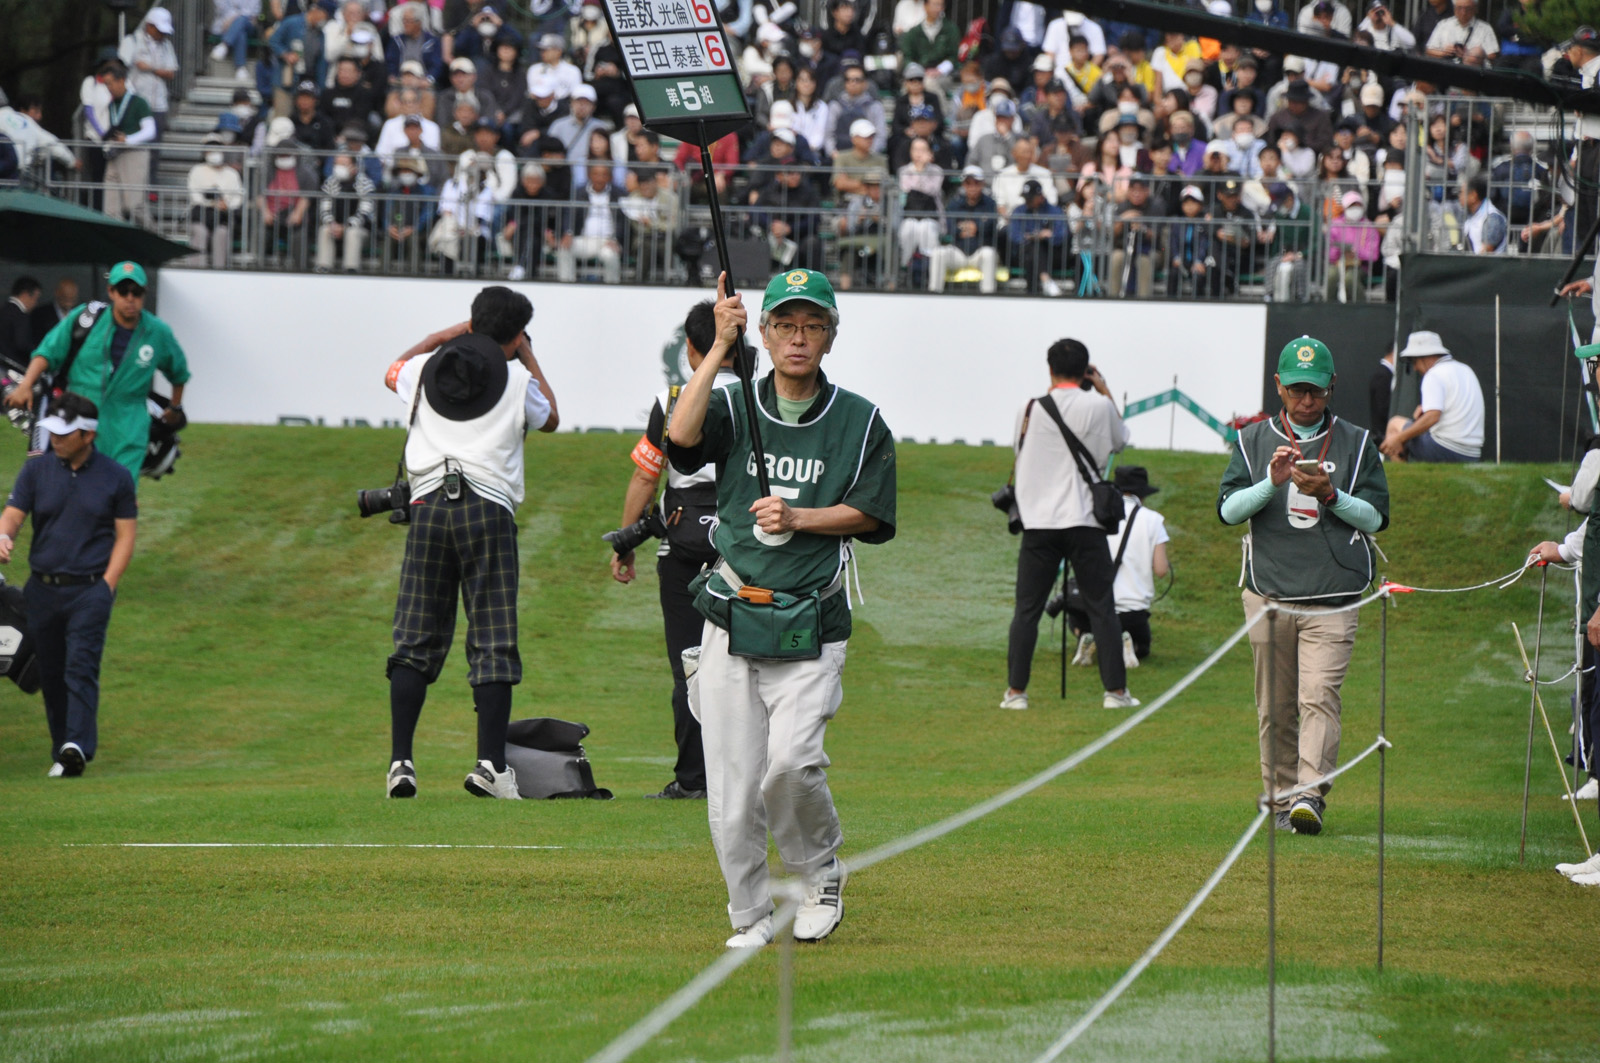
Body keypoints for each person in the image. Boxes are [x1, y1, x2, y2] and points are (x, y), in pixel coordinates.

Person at [665, 269, 897, 948]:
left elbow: (872, 513)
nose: (799, 338)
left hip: (811, 620)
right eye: (785, 325)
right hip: (731, 614)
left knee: (791, 764)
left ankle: (819, 873)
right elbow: (681, 438)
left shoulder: (860, 420)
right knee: (732, 788)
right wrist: (718, 347)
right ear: (763, 334)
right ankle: (749, 913)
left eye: (812, 326)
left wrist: (800, 517)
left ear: (830, 336)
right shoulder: (735, 403)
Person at [380, 288, 560, 800]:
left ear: (471, 323)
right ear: (517, 335)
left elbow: (392, 370)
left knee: (414, 638)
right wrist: (527, 355)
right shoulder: (519, 380)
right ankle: (489, 766)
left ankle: (401, 763)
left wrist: (445, 335)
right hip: (489, 509)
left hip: (427, 506)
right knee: (493, 638)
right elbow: (551, 417)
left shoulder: (424, 370)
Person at [1219, 337, 1389, 835]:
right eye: (1297, 389)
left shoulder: (1358, 442)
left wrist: (1332, 496)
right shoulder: (1251, 440)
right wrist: (1271, 483)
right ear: (1279, 386)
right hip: (1268, 594)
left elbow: (1377, 518)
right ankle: (1279, 800)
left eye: (1315, 390)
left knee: (1319, 696)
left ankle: (1308, 797)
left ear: (1332, 386)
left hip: (1334, 596)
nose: (1307, 400)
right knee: (1274, 709)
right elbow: (1228, 511)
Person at [607, 301, 737, 800]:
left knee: (690, 664)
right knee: (752, 667)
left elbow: (646, 475)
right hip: (746, 548)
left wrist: (626, 542)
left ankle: (692, 779)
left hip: (682, 546)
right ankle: (749, 776)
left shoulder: (675, 398)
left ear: (691, 348)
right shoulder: (759, 397)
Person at [0, 393, 138, 778]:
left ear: (87, 435)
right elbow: (13, 515)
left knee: (81, 665)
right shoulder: (36, 471)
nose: (55, 440)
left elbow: (126, 537)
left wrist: (107, 586)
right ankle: (63, 749)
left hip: (89, 590)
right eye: (53, 432)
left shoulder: (115, 477)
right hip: (41, 590)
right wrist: (3, 536)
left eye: (64, 434)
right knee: (50, 671)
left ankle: (77, 745)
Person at [1002, 340, 1136, 712]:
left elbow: (1019, 452)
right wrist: (1104, 390)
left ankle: (1016, 692)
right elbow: (1122, 440)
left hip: (1039, 522)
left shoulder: (1028, 408)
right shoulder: (1100, 406)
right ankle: (1115, 692)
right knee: (1102, 607)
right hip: (1085, 520)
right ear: (1086, 371)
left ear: (1050, 369)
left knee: (1027, 610)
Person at [6, 262, 189, 487]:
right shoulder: (86, 319)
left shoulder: (157, 332)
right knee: (75, 493)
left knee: (121, 494)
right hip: (80, 422)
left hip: (129, 427)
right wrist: (25, 385)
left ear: (144, 294)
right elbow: (47, 352)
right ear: (111, 292)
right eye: (123, 291)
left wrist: (175, 408)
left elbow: (179, 372)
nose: (130, 298)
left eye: (137, 292)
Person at [1062, 465, 1170, 669]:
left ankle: (1086, 635)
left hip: (1093, 609)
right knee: (1143, 646)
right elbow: (1161, 570)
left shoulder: (1095, 514)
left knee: (1076, 618)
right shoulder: (1154, 520)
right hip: (1132, 613)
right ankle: (1127, 642)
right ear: (1142, 494)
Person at [1381, 331, 1483, 463]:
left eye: (1414, 361)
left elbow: (1433, 417)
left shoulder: (1434, 375)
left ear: (1423, 357)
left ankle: (1402, 474)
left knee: (1394, 424)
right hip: (1473, 454)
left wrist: (1398, 438)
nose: (1415, 368)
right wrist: (1425, 410)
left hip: (1446, 449)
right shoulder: (1465, 369)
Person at [100, 61, 157, 228]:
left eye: (110, 83)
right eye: (106, 84)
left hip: (134, 154)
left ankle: (154, 237)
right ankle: (117, 242)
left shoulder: (139, 102)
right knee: (110, 210)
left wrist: (128, 140)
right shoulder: (111, 104)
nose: (108, 88)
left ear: (121, 80)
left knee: (135, 205)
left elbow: (150, 131)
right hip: (115, 155)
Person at [1, 277, 41, 375]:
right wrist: (38, 354)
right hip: (15, 369)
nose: (35, 304)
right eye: (35, 299)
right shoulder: (20, 316)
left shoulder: (3, 310)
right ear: (25, 294)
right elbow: (22, 344)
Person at [29, 280, 78, 353]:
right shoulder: (40, 315)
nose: (68, 303)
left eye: (72, 299)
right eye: (65, 298)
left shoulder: (79, 314)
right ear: (57, 293)